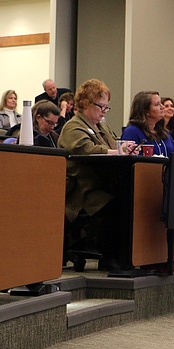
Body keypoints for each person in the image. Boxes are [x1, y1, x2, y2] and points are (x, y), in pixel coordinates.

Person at [59, 79, 136, 272]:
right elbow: (87, 150)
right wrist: (117, 151)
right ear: (85, 103)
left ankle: (128, 256)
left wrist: (124, 147)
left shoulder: (102, 127)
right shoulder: (73, 127)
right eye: (100, 106)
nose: (104, 111)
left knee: (131, 201)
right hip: (82, 191)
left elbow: (114, 145)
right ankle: (110, 258)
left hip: (103, 184)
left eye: (106, 107)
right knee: (116, 206)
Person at [120, 90, 174, 156]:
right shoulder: (132, 132)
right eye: (157, 104)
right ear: (146, 111)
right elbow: (126, 158)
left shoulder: (164, 132)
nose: (162, 107)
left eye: (161, 103)